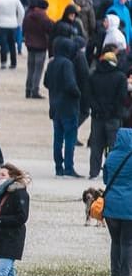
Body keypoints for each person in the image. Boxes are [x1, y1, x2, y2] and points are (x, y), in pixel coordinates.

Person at [84, 50, 127, 179]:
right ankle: (112, 174)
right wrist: (112, 110)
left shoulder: (93, 75)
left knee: (96, 146)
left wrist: (97, 108)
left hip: (97, 117)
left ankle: (94, 172)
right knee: (114, 148)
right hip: (113, 117)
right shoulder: (120, 76)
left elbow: (88, 96)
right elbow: (122, 97)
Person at [43, 37, 82, 177]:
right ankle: (69, 167)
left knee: (58, 138)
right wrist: (78, 94)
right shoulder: (67, 63)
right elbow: (70, 84)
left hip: (54, 105)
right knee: (70, 138)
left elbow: (46, 82)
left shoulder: (52, 63)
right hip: (68, 106)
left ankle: (58, 166)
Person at [103, 126, 132, 276]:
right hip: (128, 206)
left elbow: (106, 180)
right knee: (127, 243)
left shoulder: (111, 156)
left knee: (115, 242)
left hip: (111, 206)